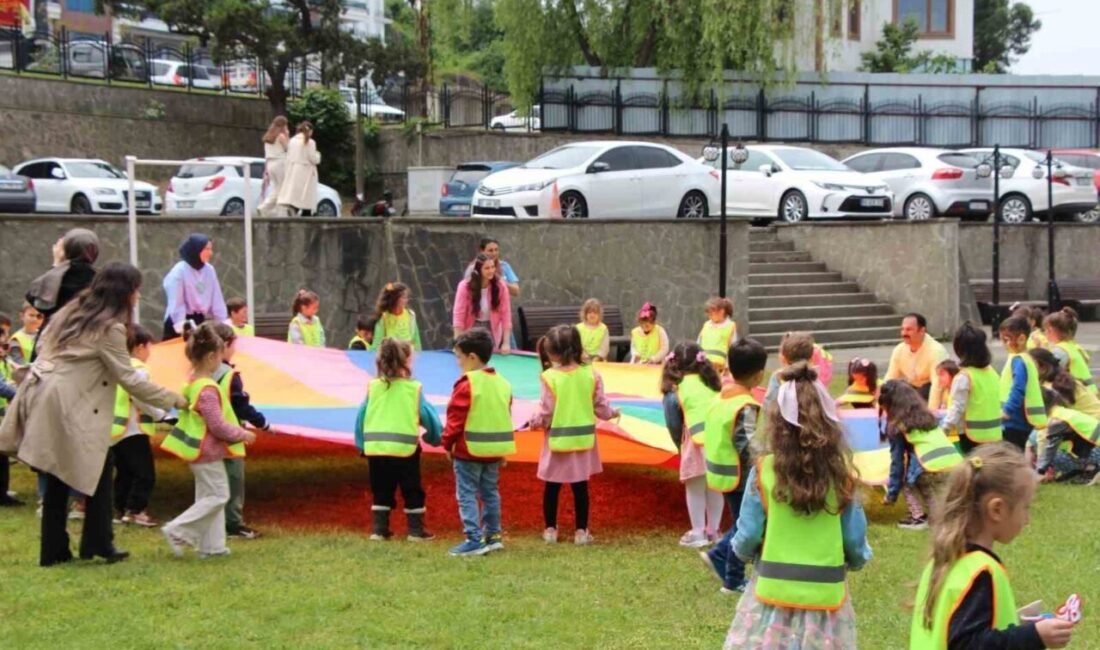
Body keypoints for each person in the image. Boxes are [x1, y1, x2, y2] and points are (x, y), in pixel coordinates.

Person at [0, 263, 185, 566]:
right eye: (136, 290)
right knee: (98, 463)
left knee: (60, 471)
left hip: (47, 395)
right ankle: (97, 543)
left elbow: (46, 347)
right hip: (72, 403)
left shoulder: (71, 313)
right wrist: (174, 400)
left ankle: (60, 549)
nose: (138, 296)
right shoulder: (109, 328)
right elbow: (129, 377)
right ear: (124, 292)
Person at [724, 362, 872, 649]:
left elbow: (750, 532)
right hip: (825, 601)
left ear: (777, 423)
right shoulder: (840, 475)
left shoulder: (765, 470)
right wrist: (857, 559)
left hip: (772, 596)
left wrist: (742, 552)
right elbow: (854, 539)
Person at [909, 443, 1074, 650]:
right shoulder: (980, 572)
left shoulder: (942, 561)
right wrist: (1033, 636)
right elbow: (968, 644)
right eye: (1025, 507)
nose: (1027, 519)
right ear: (997, 509)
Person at [160, 323, 256, 559]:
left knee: (208, 497)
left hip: (199, 451)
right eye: (221, 355)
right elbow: (217, 425)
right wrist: (241, 434)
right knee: (218, 496)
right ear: (212, 356)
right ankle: (179, 530)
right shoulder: (207, 389)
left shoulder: (193, 382)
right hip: (207, 452)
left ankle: (212, 547)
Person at [529, 325, 619, 545]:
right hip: (583, 442)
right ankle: (581, 531)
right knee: (580, 487)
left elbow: (546, 411)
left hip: (557, 440)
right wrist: (612, 413)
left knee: (552, 486)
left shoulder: (549, 377)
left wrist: (534, 423)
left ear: (553, 353)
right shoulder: (591, 374)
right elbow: (600, 406)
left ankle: (550, 529)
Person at [355, 338, 442, 541]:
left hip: (376, 448)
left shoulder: (373, 387)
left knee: (381, 488)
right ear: (407, 361)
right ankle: (416, 530)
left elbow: (361, 416)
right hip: (405, 449)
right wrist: (434, 437)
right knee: (412, 489)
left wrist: (361, 444)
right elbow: (428, 417)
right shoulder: (413, 389)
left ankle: (379, 529)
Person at [701, 338, 766, 594]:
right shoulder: (745, 405)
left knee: (741, 521)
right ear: (759, 375)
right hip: (740, 476)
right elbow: (746, 443)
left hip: (721, 471)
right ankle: (731, 576)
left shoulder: (721, 397)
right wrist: (762, 466)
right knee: (745, 525)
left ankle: (723, 561)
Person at [442, 328, 515, 557]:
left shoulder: (467, 384)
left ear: (472, 357)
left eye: (459, 357)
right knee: (490, 492)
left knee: (467, 494)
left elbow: (455, 419)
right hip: (494, 450)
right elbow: (505, 416)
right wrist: (502, 450)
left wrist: (447, 443)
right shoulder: (503, 383)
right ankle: (493, 536)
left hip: (468, 450)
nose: (458, 363)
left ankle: (474, 539)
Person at [660, 342, 724, 548]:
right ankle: (714, 530)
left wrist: (680, 444)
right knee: (714, 487)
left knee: (695, 487)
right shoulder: (713, 385)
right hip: (718, 441)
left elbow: (673, 423)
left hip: (694, 441)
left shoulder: (675, 391)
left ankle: (698, 532)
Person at [880, 380, 963, 531]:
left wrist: (891, 494)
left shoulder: (898, 425)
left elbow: (897, 462)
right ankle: (946, 516)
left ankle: (918, 517)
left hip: (929, 465)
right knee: (936, 494)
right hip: (955, 463)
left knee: (909, 483)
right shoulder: (928, 417)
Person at [211, 322, 269, 539]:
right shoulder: (229, 375)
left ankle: (215, 524)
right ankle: (233, 524)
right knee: (234, 480)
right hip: (230, 435)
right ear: (225, 345)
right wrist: (262, 423)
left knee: (212, 483)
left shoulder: (201, 372)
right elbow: (241, 406)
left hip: (207, 436)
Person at [111, 325, 169, 528]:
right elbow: (142, 396)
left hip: (116, 429)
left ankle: (120, 510)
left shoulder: (117, 366)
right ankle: (136, 511)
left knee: (124, 473)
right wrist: (161, 415)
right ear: (139, 347)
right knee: (145, 474)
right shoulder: (139, 369)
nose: (149, 354)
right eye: (149, 348)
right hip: (133, 429)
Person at [25, 228, 100, 361]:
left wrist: (57, 264)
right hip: (87, 345)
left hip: (51, 344)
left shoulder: (58, 277)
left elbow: (35, 299)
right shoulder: (101, 279)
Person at [941, 322, 1002, 454]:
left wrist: (944, 429)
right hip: (995, 433)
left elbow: (957, 407)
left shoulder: (964, 377)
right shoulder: (992, 372)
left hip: (971, 437)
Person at [162, 234, 227, 341]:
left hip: (199, 320)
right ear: (196, 250)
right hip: (178, 321)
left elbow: (217, 299)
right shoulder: (179, 271)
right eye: (206, 249)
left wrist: (222, 323)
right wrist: (182, 326)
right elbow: (176, 301)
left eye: (211, 249)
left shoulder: (209, 270)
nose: (210, 253)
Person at [999, 316, 1048, 451]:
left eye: (1006, 340)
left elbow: (1018, 388)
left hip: (1015, 420)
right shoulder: (1025, 358)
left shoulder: (1019, 360)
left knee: (1013, 455)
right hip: (1020, 419)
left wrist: (1007, 411)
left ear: (1021, 339)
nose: (1003, 344)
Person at [1035, 388, 1100, 484]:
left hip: (1096, 452)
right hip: (1095, 449)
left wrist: (1039, 471)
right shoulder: (1063, 412)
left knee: (1053, 456)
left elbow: (1050, 450)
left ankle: (1091, 470)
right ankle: (1088, 470)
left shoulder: (1056, 420)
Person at [885, 313, 949, 408]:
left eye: (909, 330)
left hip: (932, 390)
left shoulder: (936, 351)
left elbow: (937, 385)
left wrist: (931, 412)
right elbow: (890, 378)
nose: (904, 333)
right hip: (913, 388)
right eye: (902, 329)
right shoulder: (899, 350)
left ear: (922, 331)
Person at [452, 253, 512, 353]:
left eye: (493, 267)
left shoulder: (500, 286)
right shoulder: (464, 286)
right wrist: (457, 342)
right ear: (478, 270)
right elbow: (458, 315)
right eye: (487, 268)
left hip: (491, 328)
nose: (491, 271)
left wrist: (506, 343)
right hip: (471, 327)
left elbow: (506, 315)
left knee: (488, 356)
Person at [1044, 307, 1096, 395]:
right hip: (1090, 393)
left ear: (1050, 330)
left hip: (1079, 395)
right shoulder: (1073, 346)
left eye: (1046, 329)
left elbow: (1048, 374)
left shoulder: (1060, 351)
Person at [762, 331, 816, 411]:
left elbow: (769, 405)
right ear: (811, 359)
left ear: (783, 358)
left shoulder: (778, 377)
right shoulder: (813, 376)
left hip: (780, 418)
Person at [277, 120, 320, 217]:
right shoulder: (310, 142)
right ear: (310, 131)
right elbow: (313, 159)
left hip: (294, 169)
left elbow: (289, 155)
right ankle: (306, 213)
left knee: (295, 193)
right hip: (306, 171)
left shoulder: (292, 141)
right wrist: (318, 155)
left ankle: (293, 208)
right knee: (306, 195)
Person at [370, 282, 422, 351]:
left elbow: (416, 340)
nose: (406, 300)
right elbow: (377, 343)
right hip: (391, 355)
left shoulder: (411, 315)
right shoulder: (383, 317)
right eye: (404, 297)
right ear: (395, 299)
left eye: (407, 297)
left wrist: (419, 354)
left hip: (408, 354)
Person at [258, 115, 290, 218]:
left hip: (270, 164)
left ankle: (267, 208)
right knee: (282, 189)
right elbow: (288, 149)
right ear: (283, 125)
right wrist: (287, 136)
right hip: (280, 163)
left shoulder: (268, 137)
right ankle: (270, 209)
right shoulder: (281, 136)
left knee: (277, 188)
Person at [697, 297, 737, 369]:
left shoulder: (730, 326)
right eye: (708, 313)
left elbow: (733, 348)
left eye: (712, 313)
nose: (710, 315)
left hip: (721, 367)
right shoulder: (706, 325)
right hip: (704, 365)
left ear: (722, 311)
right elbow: (698, 343)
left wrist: (728, 366)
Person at [575, 298, 610, 363]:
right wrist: (582, 354)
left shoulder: (603, 328)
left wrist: (597, 358)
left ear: (599, 314)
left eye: (595, 313)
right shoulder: (578, 328)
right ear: (585, 314)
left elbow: (604, 347)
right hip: (581, 359)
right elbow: (576, 344)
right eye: (589, 312)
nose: (592, 315)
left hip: (599, 360)